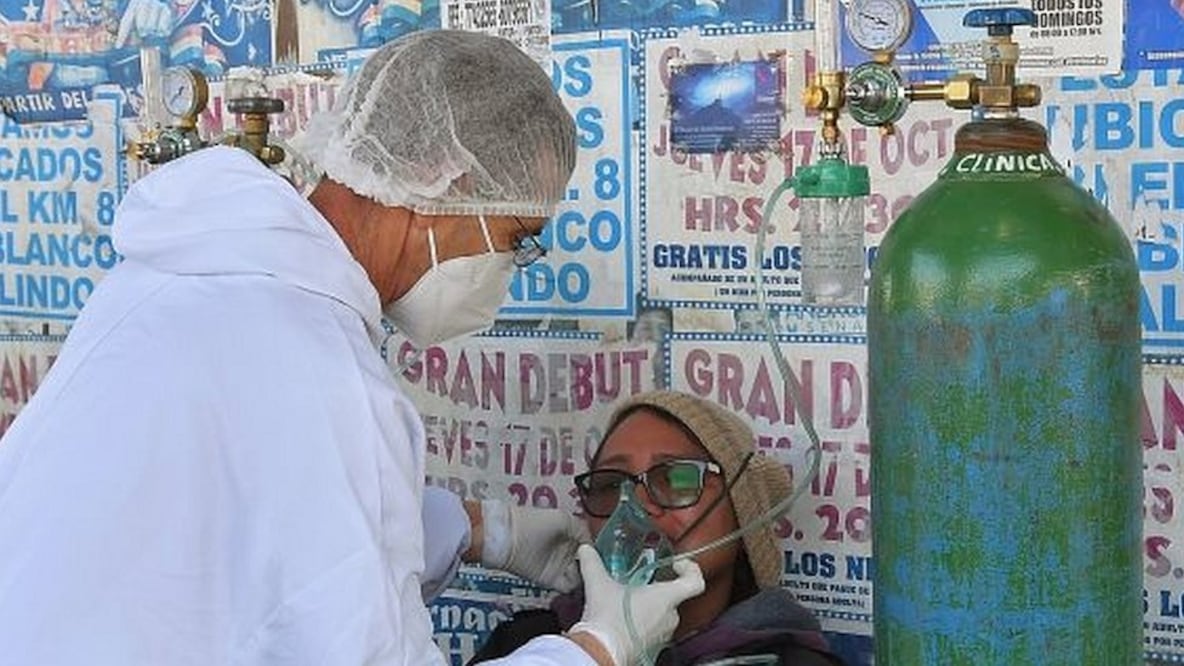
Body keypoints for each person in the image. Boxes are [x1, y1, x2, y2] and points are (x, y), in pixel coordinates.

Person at [0, 30, 705, 666]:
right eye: (517, 236)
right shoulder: (320, 374)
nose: (508, 270)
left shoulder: (176, 281)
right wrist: (597, 649)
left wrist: (476, 528)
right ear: (444, 179)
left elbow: (246, 546)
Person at [471, 391, 845, 665]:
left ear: (744, 513)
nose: (635, 505)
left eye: (677, 479)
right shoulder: (528, 641)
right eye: (610, 484)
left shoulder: (792, 663)